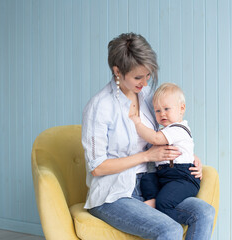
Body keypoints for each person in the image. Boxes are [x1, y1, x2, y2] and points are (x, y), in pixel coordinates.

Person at [81, 32, 215, 240]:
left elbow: (170, 131)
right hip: (114, 195)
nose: (144, 83)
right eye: (137, 77)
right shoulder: (100, 107)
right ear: (117, 71)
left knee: (204, 212)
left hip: (155, 185)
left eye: (148, 75)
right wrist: (146, 157)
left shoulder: (148, 98)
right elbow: (97, 167)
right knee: (170, 229)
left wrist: (189, 157)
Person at [129, 83, 200, 221]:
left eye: (167, 109)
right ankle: (154, 201)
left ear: (181, 109)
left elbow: (155, 139)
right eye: (157, 111)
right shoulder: (165, 131)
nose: (162, 114)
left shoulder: (178, 128)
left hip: (183, 178)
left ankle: (174, 226)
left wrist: (137, 124)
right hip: (165, 175)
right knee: (147, 180)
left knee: (164, 201)